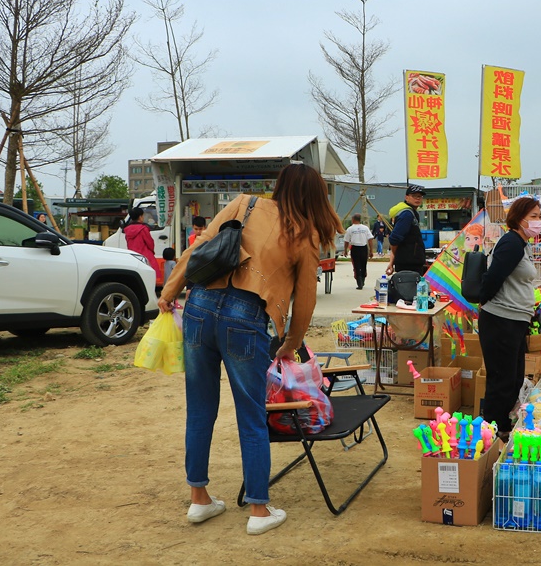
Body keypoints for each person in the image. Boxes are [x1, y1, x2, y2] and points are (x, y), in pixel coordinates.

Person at [158, 164, 343, 536]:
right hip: (246, 315)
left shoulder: (243, 204)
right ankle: (258, 508)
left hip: (199, 305)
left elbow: (199, 247)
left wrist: (169, 291)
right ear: (314, 196)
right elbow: (305, 301)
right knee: (252, 414)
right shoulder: (304, 234)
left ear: (280, 186)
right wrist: (291, 344)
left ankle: (199, 499)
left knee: (200, 407)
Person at [478, 197, 541, 438]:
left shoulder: (520, 243)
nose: (539, 221)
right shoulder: (512, 244)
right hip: (501, 320)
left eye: (540, 216)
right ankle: (492, 433)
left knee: (513, 378)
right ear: (518, 217)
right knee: (502, 380)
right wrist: (484, 301)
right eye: (533, 216)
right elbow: (492, 277)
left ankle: (502, 426)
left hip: (514, 321)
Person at [386, 184, 426, 275]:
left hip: (409, 262)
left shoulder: (411, 212)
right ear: (407, 198)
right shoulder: (407, 214)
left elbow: (397, 240)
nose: (417, 199)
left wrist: (392, 262)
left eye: (419, 196)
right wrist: (394, 260)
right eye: (414, 196)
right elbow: (394, 239)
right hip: (409, 264)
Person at [124, 207, 160, 280]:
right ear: (140, 217)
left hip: (133, 256)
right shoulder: (143, 229)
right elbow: (150, 243)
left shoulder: (127, 230)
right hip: (145, 257)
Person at [343, 213, 374, 290]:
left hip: (355, 248)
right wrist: (371, 250)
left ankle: (359, 282)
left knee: (356, 266)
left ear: (353, 220)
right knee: (363, 264)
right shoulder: (365, 228)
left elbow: (346, 241)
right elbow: (370, 239)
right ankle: (362, 280)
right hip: (364, 248)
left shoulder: (350, 229)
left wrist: (345, 250)